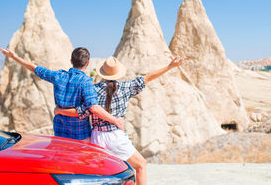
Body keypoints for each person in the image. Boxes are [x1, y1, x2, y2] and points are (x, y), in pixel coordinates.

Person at [55, 55, 185, 185]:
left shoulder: (92, 90)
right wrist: (170, 66)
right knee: (140, 165)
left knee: (103, 175)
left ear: (102, 73)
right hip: (115, 137)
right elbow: (148, 77)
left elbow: (80, 112)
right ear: (118, 74)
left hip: (96, 138)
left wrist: (59, 111)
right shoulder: (125, 87)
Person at [0, 47, 124, 142]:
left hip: (60, 133)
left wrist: (14, 56)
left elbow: (34, 68)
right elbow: (93, 107)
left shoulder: (58, 76)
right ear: (87, 63)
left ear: (71, 61)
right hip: (81, 135)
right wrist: (115, 120)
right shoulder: (86, 82)